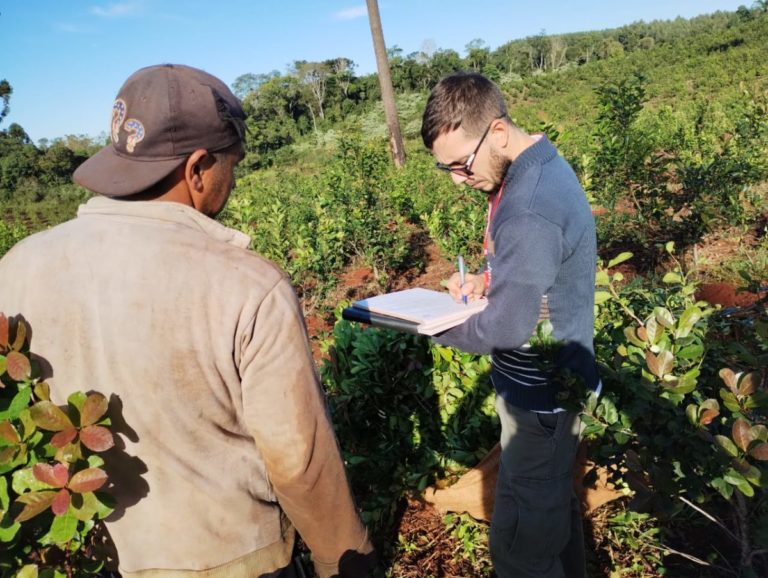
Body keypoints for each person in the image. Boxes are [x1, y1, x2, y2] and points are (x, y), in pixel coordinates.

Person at [0, 64, 372, 578]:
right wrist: (341, 559)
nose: (234, 180)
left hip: (88, 555)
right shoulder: (247, 284)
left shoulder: (17, 264)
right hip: (231, 557)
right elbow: (298, 462)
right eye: (231, 165)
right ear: (197, 168)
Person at [421, 72, 600, 578]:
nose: (458, 178)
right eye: (445, 168)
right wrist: (490, 280)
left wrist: (430, 325)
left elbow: (505, 329)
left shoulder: (528, 206)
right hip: (555, 389)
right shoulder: (532, 167)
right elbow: (538, 270)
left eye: (460, 164)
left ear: (497, 132)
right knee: (552, 517)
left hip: (541, 403)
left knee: (523, 548)